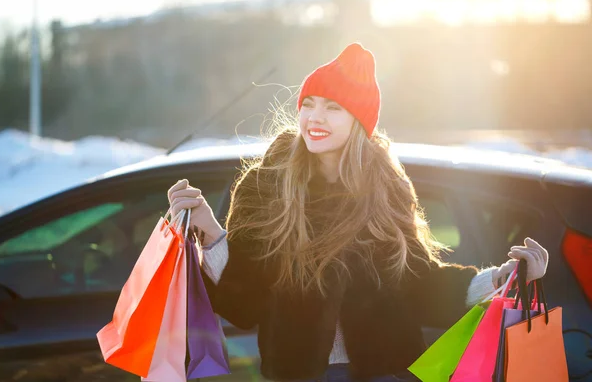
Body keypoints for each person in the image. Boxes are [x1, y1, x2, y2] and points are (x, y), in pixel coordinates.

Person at [167, 43, 549, 382]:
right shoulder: (266, 185)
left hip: (386, 371)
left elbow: (418, 282)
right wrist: (211, 232)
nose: (315, 118)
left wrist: (497, 279)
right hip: (300, 374)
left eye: (333, 108)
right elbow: (243, 304)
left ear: (359, 122)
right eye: (308, 105)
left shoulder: (387, 188)